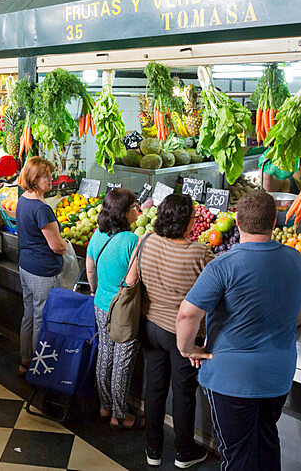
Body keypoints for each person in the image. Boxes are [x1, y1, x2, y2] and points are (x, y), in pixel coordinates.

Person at [177, 189, 301, 471]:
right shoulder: (297, 260)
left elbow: (188, 313)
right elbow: (300, 315)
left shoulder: (222, 265)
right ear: (274, 222)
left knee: (237, 455)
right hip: (277, 376)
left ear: (237, 223)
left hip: (231, 379)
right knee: (266, 443)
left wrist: (187, 349)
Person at [129, 193, 213, 468]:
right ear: (187, 223)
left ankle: (153, 450)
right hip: (182, 334)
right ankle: (184, 452)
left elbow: (131, 280)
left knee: (154, 389)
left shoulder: (146, 241)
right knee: (183, 391)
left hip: (149, 326)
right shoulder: (200, 253)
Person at [85, 188, 143, 429]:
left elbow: (90, 268)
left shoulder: (97, 235)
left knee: (104, 355)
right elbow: (131, 281)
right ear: (124, 212)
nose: (138, 211)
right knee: (122, 360)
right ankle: (119, 415)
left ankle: (104, 405)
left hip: (100, 303)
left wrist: (94, 290)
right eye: (134, 207)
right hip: (123, 310)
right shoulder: (132, 241)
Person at [15, 156, 66, 376]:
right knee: (41, 318)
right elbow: (56, 246)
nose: (51, 180)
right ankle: (39, 367)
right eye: (46, 176)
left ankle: (25, 360)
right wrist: (66, 245)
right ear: (35, 179)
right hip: (42, 271)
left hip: (26, 266)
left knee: (29, 314)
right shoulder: (41, 209)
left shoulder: (23, 199)